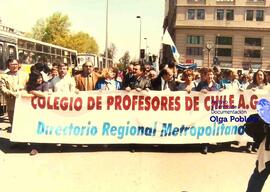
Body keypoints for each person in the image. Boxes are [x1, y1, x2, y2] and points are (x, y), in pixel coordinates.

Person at [246, 98, 270, 192]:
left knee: (257, 179)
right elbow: (252, 119)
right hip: (266, 153)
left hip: (266, 153)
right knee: (257, 179)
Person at [0, 59, 28, 125]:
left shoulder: (25, 75)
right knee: (13, 122)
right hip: (11, 101)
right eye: (12, 64)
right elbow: (2, 88)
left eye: (16, 64)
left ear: (19, 65)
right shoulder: (4, 76)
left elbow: (30, 86)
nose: (15, 66)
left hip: (24, 100)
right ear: (8, 66)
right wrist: (13, 93)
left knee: (24, 120)